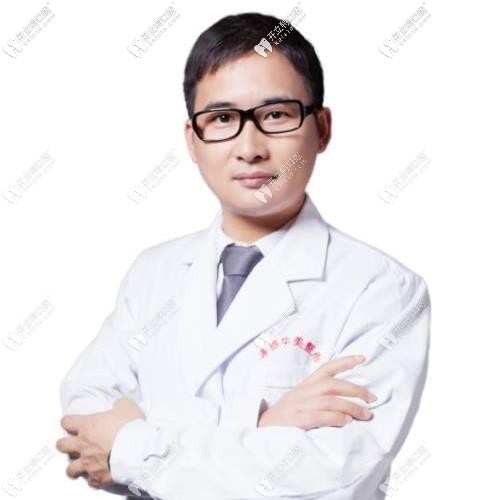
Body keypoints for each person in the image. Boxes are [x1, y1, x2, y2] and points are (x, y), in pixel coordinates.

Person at [56, 12, 430, 499]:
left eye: (275, 115)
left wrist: (131, 447)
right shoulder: (154, 272)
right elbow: (85, 418)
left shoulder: (381, 288)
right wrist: (256, 423)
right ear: (192, 140)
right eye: (222, 119)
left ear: (321, 128)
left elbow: (328, 476)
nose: (249, 148)